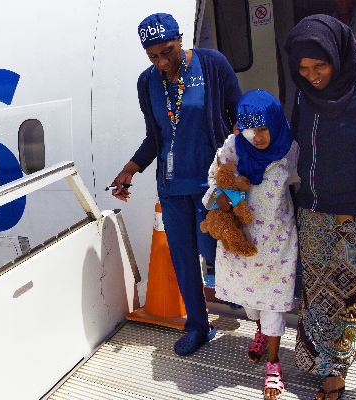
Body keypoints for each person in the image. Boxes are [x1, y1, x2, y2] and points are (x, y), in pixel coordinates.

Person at [110, 12, 242, 356]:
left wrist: (237, 172)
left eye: (167, 51)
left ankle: (258, 315)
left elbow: (238, 117)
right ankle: (198, 326)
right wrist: (131, 168)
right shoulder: (147, 82)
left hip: (211, 187)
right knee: (183, 260)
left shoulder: (211, 65)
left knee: (216, 250)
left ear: (181, 39)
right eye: (153, 56)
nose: (162, 62)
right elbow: (155, 137)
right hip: (171, 188)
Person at [285, 15, 356, 400]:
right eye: (303, 68)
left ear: (339, 55)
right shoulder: (304, 91)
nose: (312, 74)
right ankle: (333, 371)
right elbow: (295, 138)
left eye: (320, 66)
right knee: (323, 297)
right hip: (316, 208)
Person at [203, 90, 299, 400]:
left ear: (274, 120)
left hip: (277, 242)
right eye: (249, 129)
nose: (256, 137)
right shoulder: (233, 147)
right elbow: (216, 179)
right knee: (249, 300)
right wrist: (229, 198)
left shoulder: (291, 150)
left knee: (273, 302)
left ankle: (274, 364)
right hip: (241, 240)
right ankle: (258, 331)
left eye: (263, 128)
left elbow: (307, 183)